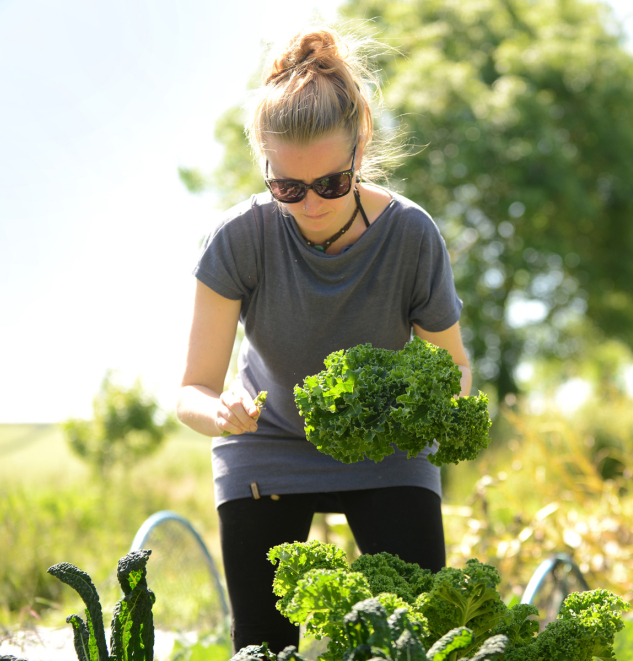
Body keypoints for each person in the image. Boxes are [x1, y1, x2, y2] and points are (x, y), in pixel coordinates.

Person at [175, 25, 470, 654]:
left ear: (359, 146)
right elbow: (191, 391)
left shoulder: (412, 236)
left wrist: (431, 417)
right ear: (265, 167)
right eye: (288, 187)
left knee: (418, 639)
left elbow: (455, 371)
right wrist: (220, 412)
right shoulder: (239, 239)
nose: (310, 205)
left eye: (331, 184)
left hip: (390, 449)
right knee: (263, 645)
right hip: (268, 444)